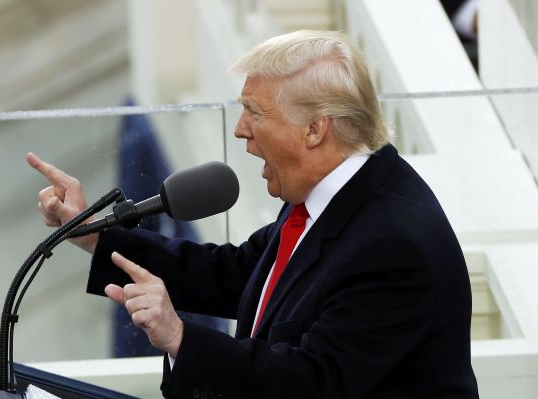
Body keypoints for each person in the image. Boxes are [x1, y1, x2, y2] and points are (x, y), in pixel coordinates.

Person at [27, 30, 479, 398]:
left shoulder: (393, 245)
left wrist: (180, 338)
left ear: (315, 130)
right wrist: (92, 234)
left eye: (255, 112)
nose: (241, 131)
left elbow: (313, 384)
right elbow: (238, 274)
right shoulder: (330, 194)